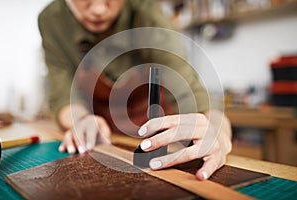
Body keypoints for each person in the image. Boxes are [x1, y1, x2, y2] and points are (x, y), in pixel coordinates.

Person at [38, 0, 232, 181]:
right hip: (101, 140)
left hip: (153, 136)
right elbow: (62, 95)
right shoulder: (52, 20)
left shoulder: (147, 11)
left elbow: (192, 93)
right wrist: (80, 120)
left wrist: (218, 132)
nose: (98, 9)